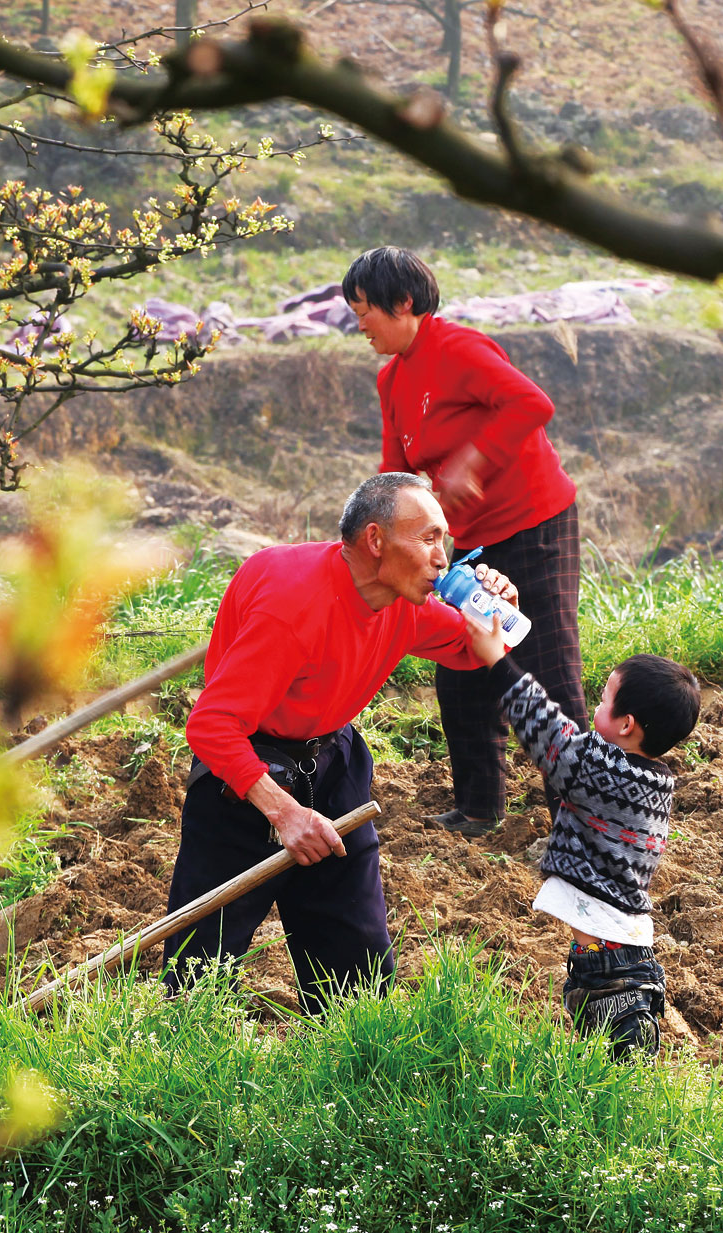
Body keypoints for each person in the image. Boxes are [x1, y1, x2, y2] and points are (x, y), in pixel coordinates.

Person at [162, 473, 518, 1013]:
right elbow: (212, 725)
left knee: (358, 978)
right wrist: (284, 814)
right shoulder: (292, 607)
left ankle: (355, 1067)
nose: (443, 557)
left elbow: (476, 649)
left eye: (444, 540)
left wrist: (497, 608)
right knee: (198, 976)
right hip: (245, 774)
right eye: (427, 539)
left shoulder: (404, 604)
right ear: (376, 541)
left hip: (331, 761)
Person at [342, 246, 587, 837]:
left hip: (534, 525)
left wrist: (472, 459)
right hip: (470, 546)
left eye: (365, 310)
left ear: (405, 303)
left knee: (548, 667)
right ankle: (480, 809)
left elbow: (533, 404)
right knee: (460, 667)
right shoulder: (392, 379)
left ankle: (580, 822)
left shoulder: (460, 349)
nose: (360, 325)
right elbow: (395, 475)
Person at [466, 610, 701, 1059]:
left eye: (604, 697)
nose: (594, 705)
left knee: (623, 1070)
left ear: (627, 724)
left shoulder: (602, 771)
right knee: (609, 1070)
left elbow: (548, 731)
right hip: (618, 955)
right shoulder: (655, 780)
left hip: (611, 968)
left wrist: (497, 660)